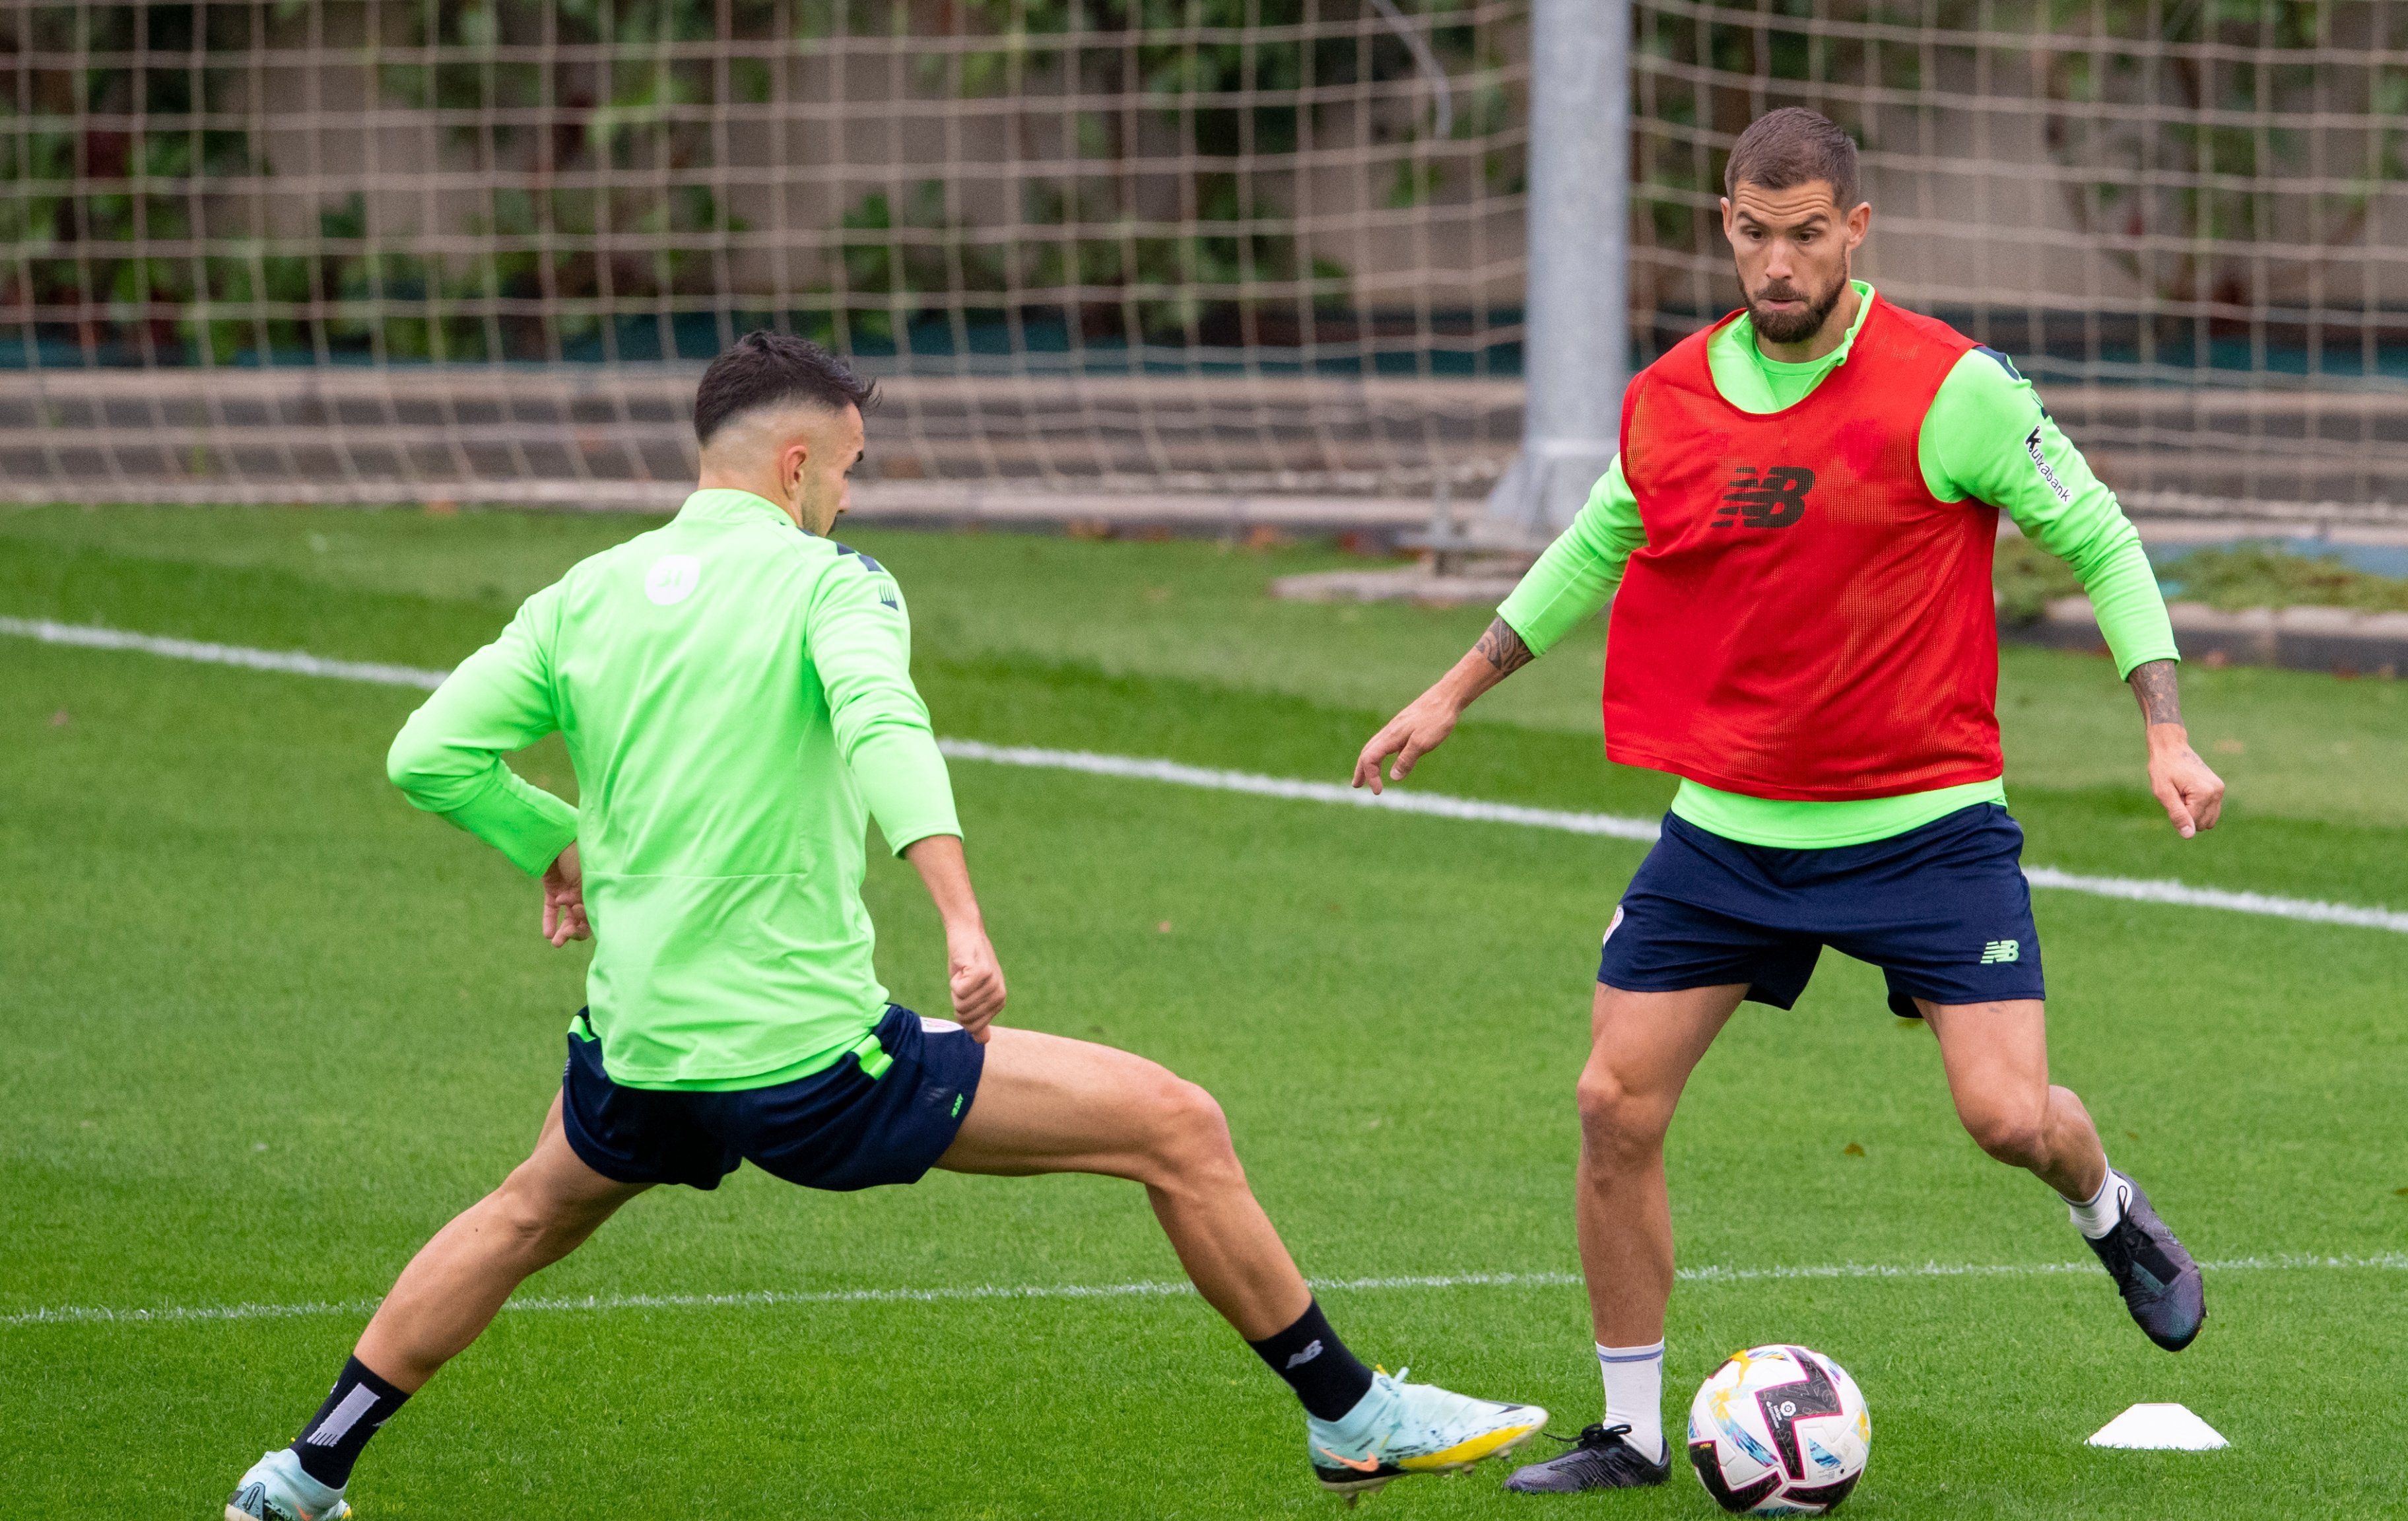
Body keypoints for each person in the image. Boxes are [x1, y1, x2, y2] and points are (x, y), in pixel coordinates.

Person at [224, 332, 1544, 1521]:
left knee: (522, 1215)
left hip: (641, 1053)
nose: (850, 495)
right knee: (1175, 1126)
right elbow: (882, 728)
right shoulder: (830, 583)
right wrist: (960, 917)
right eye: (849, 469)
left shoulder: (589, 593)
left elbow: (431, 752)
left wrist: (550, 838)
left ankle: (304, 1474)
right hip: (805, 1067)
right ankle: (1349, 1418)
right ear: (796, 463)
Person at [1351, 109, 2223, 1497]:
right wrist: (1452, 689)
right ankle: (1631, 1433)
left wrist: (2162, 733)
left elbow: (2100, 537)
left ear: (1853, 230)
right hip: (1730, 831)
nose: (1774, 261)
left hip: (1925, 824)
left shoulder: (1953, 387)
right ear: (1724, 224)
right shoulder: (1672, 397)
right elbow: (1599, 539)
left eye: (1804, 232)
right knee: (1609, 1104)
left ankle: (2104, 1207)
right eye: (1751, 232)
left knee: (2006, 1118)